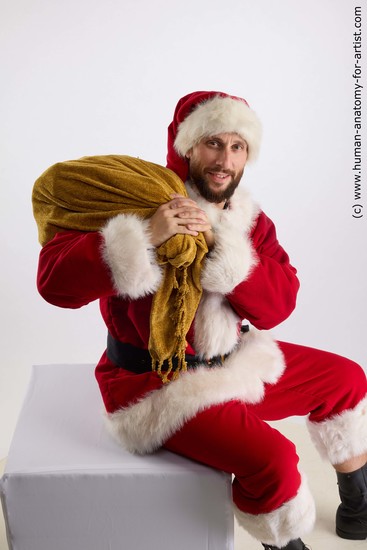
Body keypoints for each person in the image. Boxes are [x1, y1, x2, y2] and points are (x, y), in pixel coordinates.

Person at [35, 91, 367, 550]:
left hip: (228, 362)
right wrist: (145, 236)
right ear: (185, 146)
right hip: (156, 386)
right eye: (212, 143)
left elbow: (277, 306)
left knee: (346, 378)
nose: (224, 160)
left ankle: (358, 506)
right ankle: (284, 541)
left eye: (237, 146)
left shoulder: (247, 218)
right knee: (273, 459)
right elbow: (54, 285)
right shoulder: (134, 199)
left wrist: (222, 245)